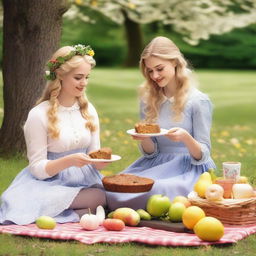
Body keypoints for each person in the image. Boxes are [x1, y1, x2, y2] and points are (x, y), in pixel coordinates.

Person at [0, 44, 109, 225]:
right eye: (78, 77)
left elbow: (94, 156)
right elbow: (37, 169)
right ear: (60, 76)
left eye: (87, 77)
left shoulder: (88, 110)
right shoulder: (39, 114)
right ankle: (76, 213)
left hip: (86, 181)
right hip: (48, 184)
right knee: (99, 197)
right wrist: (69, 161)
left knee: (110, 194)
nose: (84, 83)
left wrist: (101, 162)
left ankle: (71, 214)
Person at [106, 36, 216, 211]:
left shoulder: (198, 101)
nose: (155, 76)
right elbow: (151, 153)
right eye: (149, 71)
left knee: (156, 190)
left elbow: (203, 154)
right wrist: (144, 138)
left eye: (159, 69)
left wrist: (186, 138)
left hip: (188, 168)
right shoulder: (147, 99)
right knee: (116, 187)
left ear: (175, 63)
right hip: (155, 164)